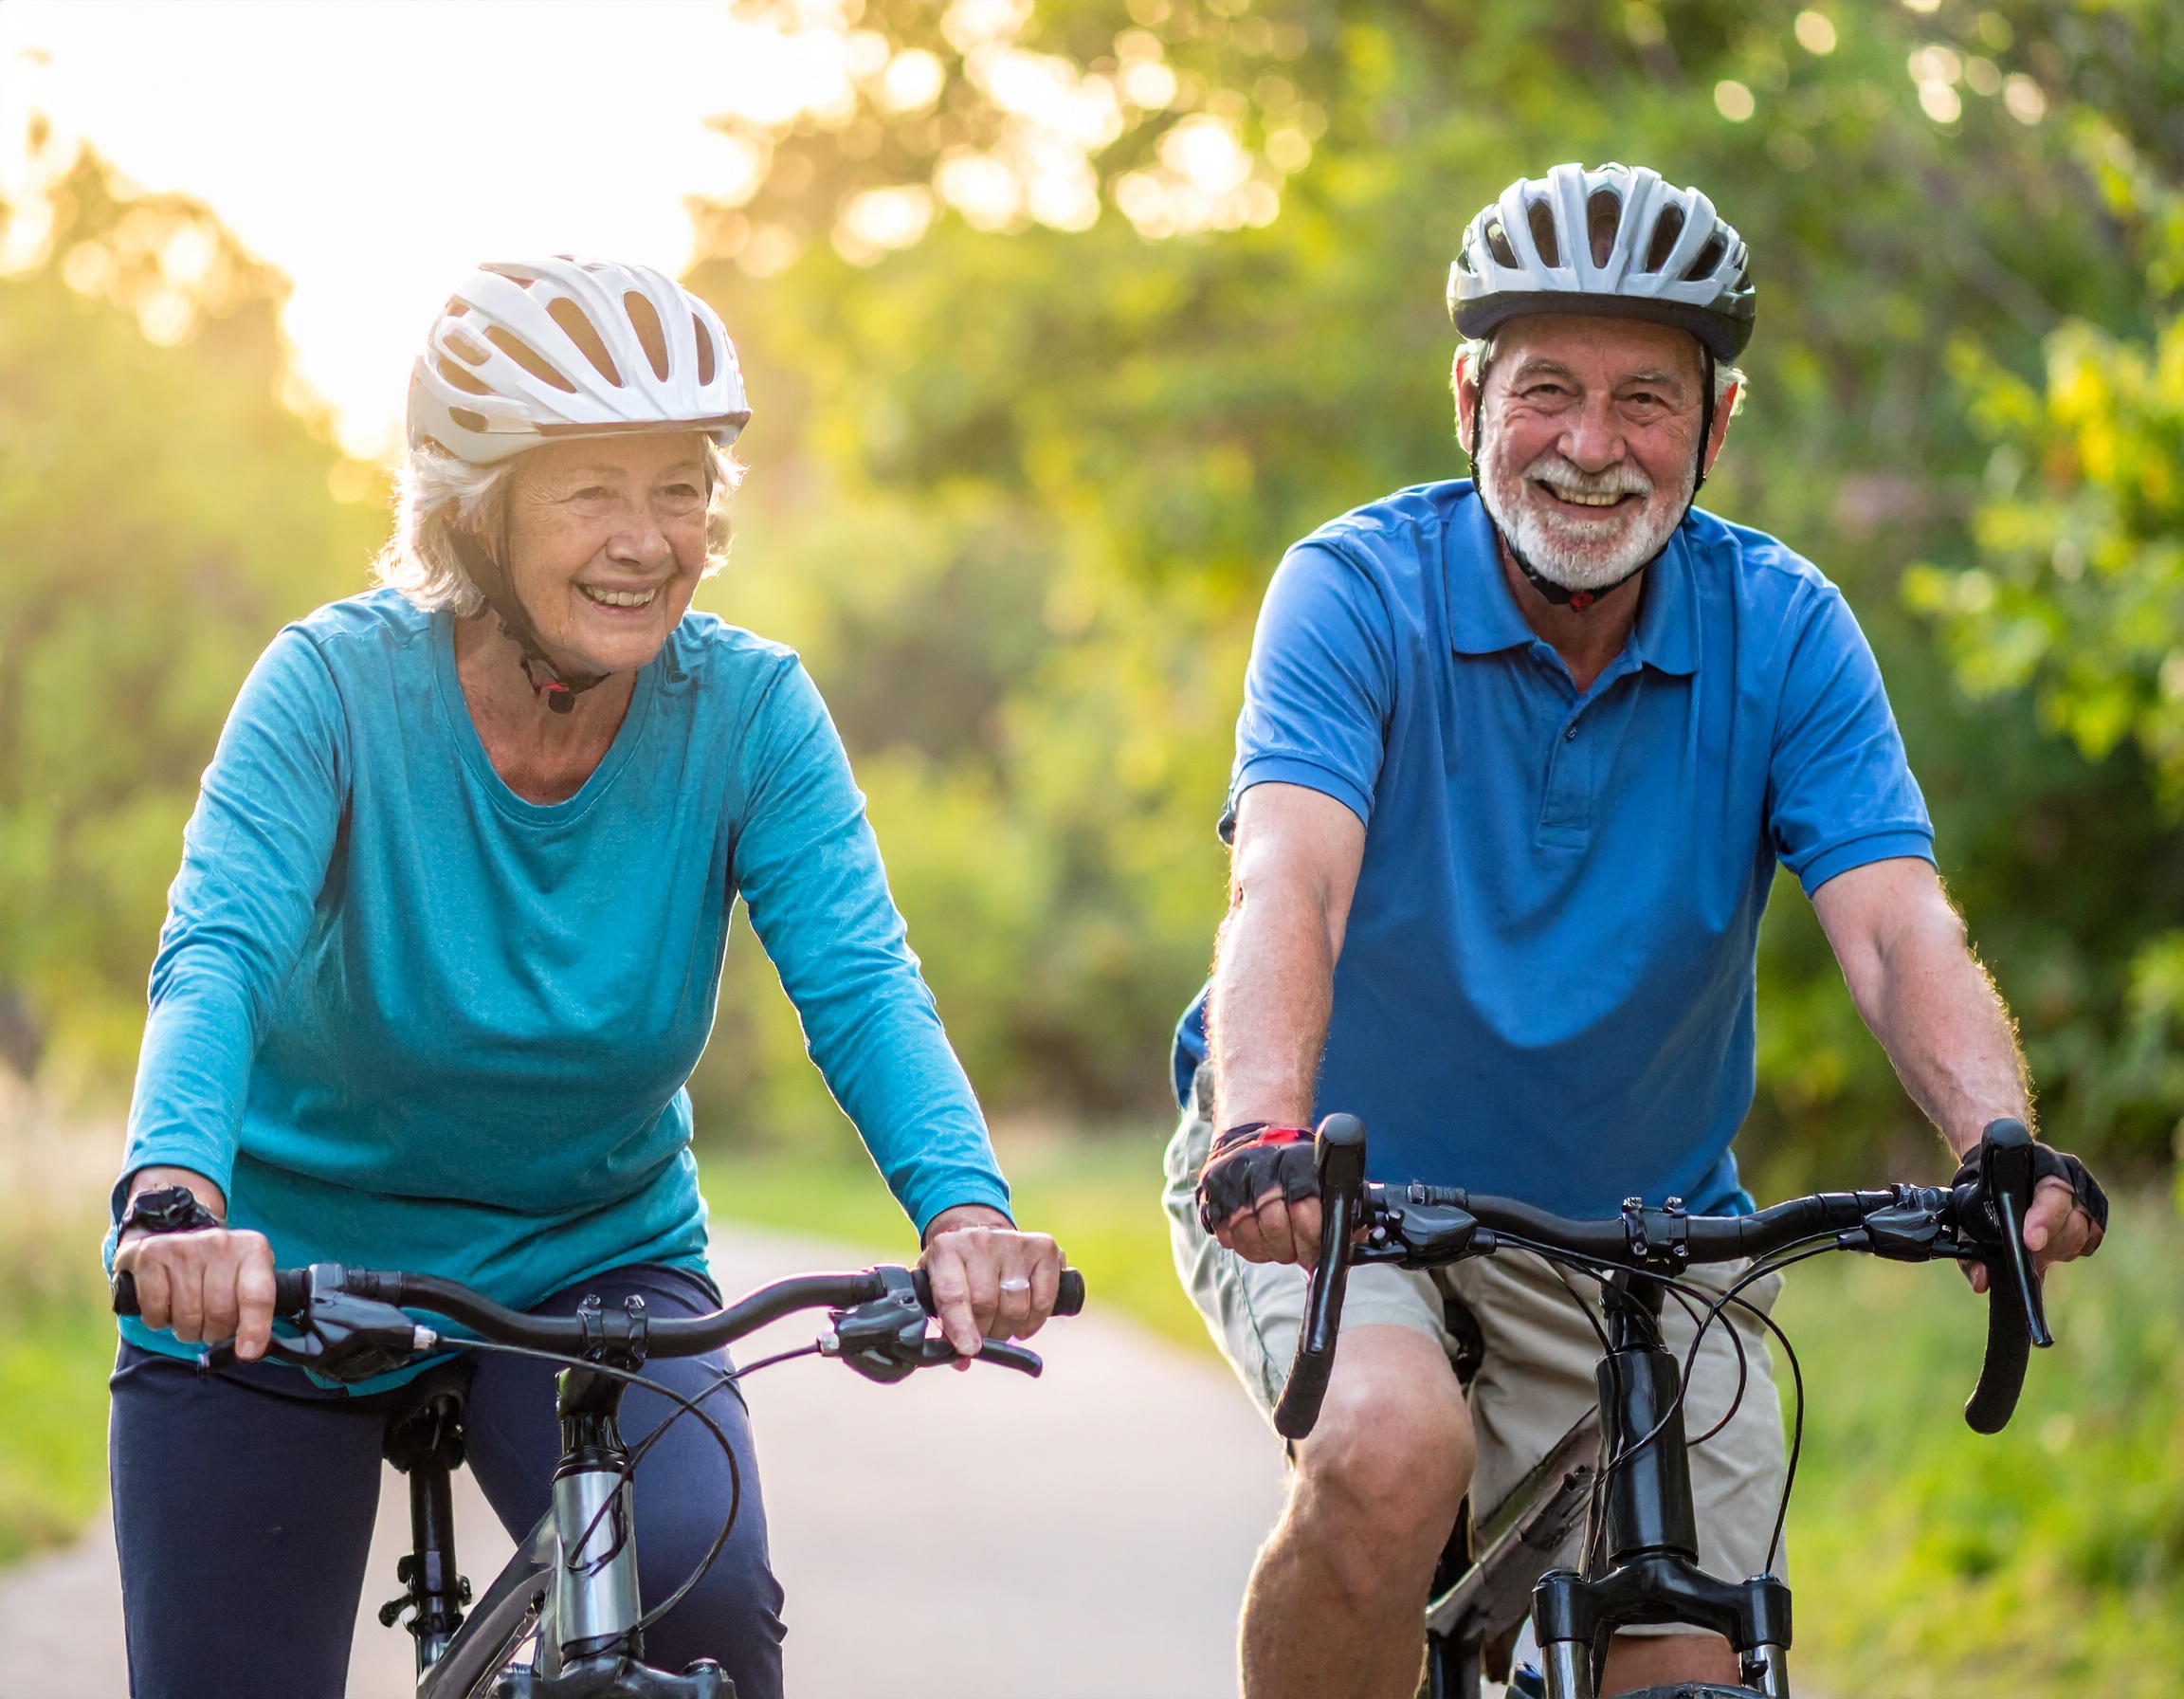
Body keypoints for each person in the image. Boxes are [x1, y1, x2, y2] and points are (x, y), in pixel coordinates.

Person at [1161, 164, 2108, 1698]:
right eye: (1548, 392)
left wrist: (1998, 1142)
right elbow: (1291, 882)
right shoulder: (1351, 591)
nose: (1591, 449)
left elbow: (1892, 926)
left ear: (1715, 428)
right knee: (1392, 1454)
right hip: (1341, 1179)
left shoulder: (1786, 628)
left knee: (1687, 1647)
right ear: (1469, 395)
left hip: (1643, 1220)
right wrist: (1260, 1128)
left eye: (1646, 401)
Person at [107, 257, 1065, 1699]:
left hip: (587, 1267)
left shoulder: (749, 714)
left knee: (699, 1617)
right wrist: (177, 1196)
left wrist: (967, 1210)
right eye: (590, 491)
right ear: (474, 511)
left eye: (679, 487)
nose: (646, 540)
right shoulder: (329, 689)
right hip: (280, 1277)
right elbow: (217, 955)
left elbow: (863, 985)